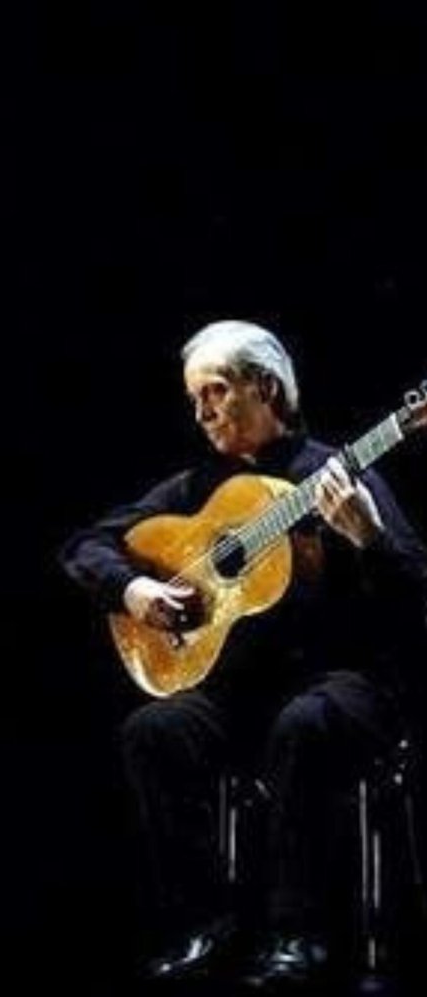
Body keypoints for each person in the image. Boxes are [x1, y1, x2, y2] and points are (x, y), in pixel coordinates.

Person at [59, 319, 427, 991]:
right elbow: (86, 546)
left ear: (266, 388)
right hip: (243, 692)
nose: (201, 413)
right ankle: (202, 926)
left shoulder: (333, 472)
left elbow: (415, 592)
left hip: (341, 682)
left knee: (304, 723)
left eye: (216, 392)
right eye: (194, 398)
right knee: (155, 728)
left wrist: (370, 540)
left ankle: (297, 933)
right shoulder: (197, 489)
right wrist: (133, 588)